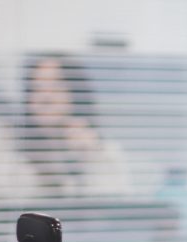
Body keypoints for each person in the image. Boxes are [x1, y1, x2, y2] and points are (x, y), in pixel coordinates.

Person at [19, 53, 131, 198]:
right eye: (37, 88)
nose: (45, 97)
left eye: (56, 86)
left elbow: (113, 205)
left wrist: (91, 156)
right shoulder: (16, 154)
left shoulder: (101, 150)